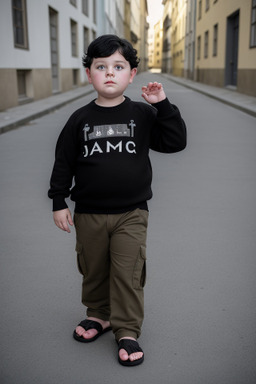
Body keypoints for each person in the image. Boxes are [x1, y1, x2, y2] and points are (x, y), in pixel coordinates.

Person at [48, 34, 186, 367]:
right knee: (93, 269)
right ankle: (99, 315)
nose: (110, 73)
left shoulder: (142, 114)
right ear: (89, 74)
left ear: (131, 74)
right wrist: (58, 201)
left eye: (118, 66)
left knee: (127, 272)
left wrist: (162, 106)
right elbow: (64, 161)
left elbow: (175, 142)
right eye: (101, 66)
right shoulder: (79, 119)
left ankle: (127, 329)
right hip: (89, 214)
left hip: (132, 212)